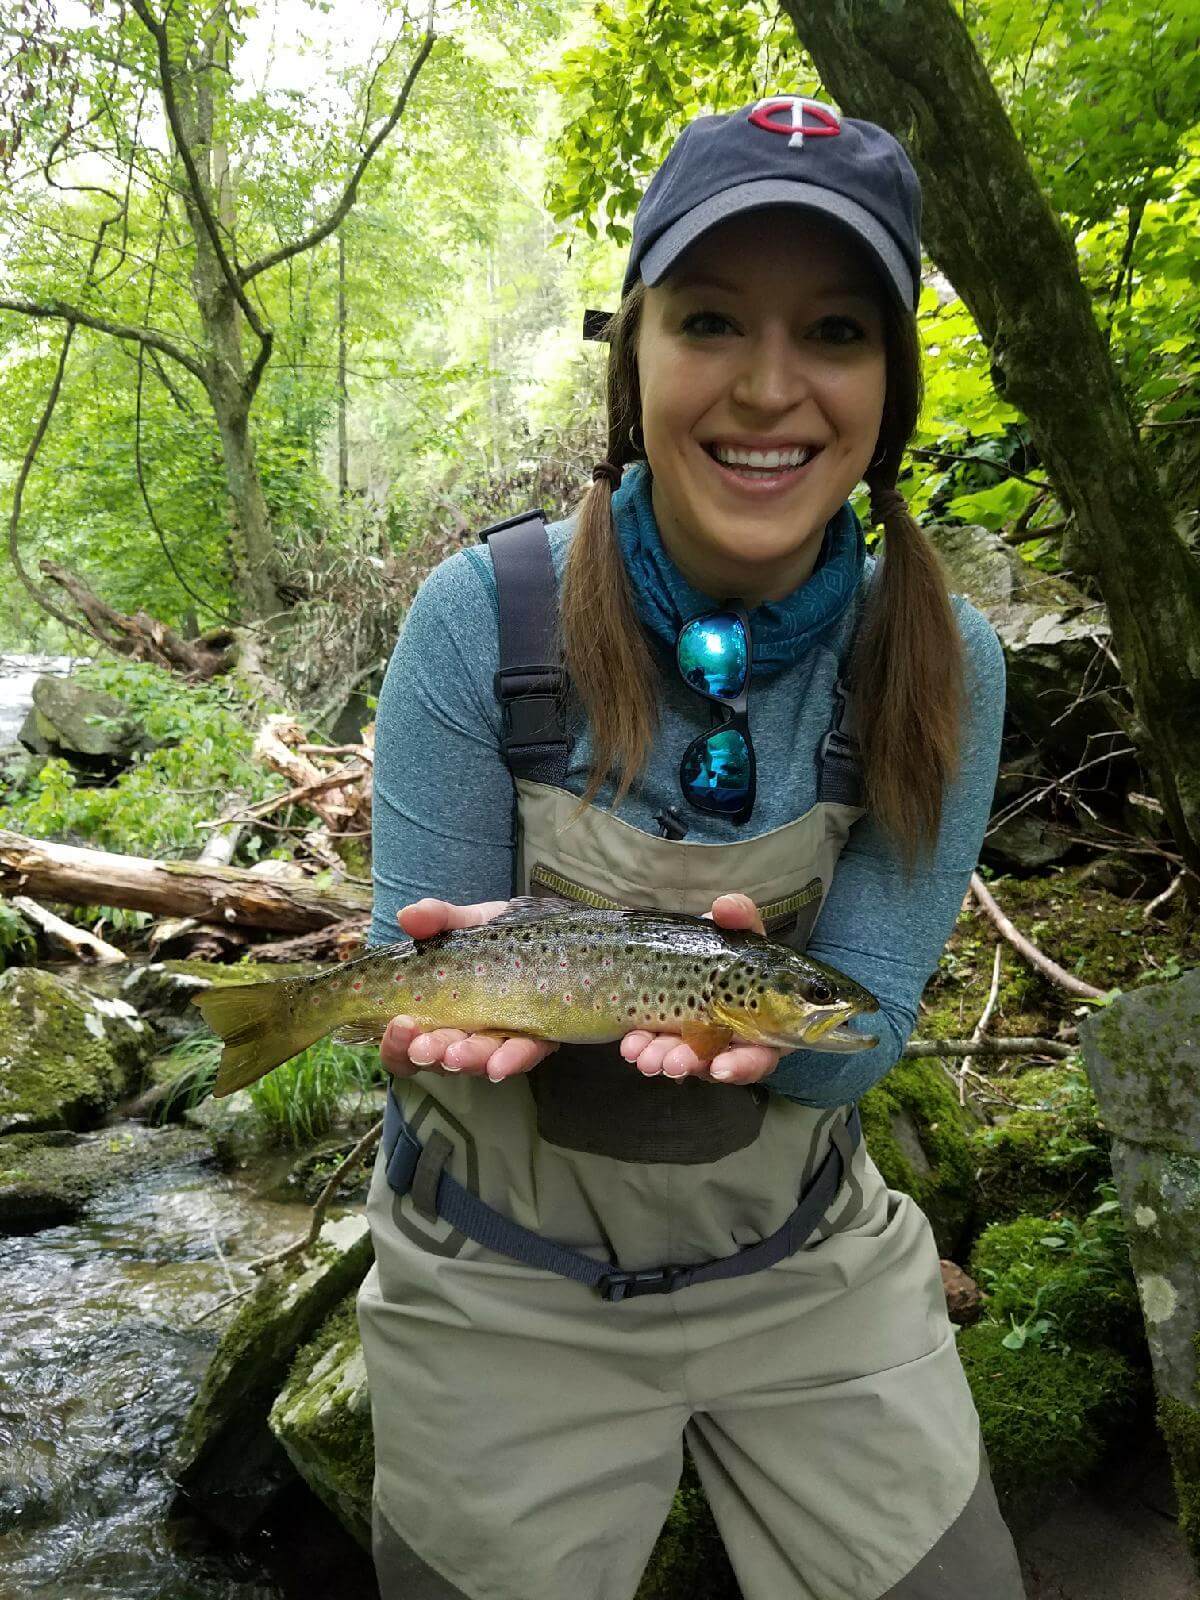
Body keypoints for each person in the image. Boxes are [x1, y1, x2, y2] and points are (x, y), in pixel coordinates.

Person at [357, 92, 1026, 1600]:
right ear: (635, 351)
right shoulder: (485, 624)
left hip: (806, 1266)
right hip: (498, 1288)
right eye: (713, 320)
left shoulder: (946, 659)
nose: (771, 388)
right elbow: (405, 981)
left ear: (894, 381)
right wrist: (423, 1013)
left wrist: (779, 1041)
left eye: (838, 332)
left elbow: (863, 1019)